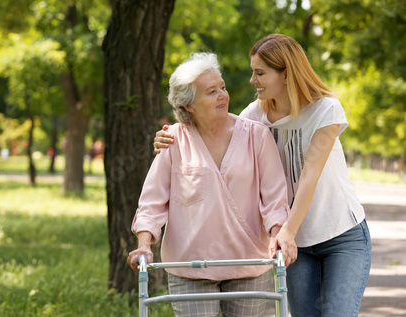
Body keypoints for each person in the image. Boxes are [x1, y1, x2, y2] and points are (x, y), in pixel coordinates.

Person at [154, 34, 372, 317]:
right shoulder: (254, 116)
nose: (252, 80)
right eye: (252, 72)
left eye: (260, 73)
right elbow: (213, 127)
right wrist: (170, 137)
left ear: (286, 74)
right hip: (294, 244)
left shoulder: (326, 109)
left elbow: (309, 176)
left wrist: (287, 232)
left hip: (341, 235)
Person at [127, 52, 290, 317]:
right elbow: (152, 203)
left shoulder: (257, 136)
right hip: (190, 268)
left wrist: (278, 236)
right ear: (188, 105)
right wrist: (144, 245)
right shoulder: (173, 140)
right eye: (211, 91)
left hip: (248, 264)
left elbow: (274, 202)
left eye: (222, 87)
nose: (223, 95)